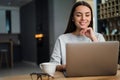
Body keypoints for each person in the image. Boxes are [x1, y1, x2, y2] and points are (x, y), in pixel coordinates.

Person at [50, 1, 105, 71]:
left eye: (87, 15)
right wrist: (65, 67)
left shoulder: (98, 37)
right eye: (79, 15)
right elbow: (53, 64)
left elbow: (104, 61)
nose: (83, 18)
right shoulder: (62, 39)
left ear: (91, 18)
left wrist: (93, 38)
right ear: (73, 18)